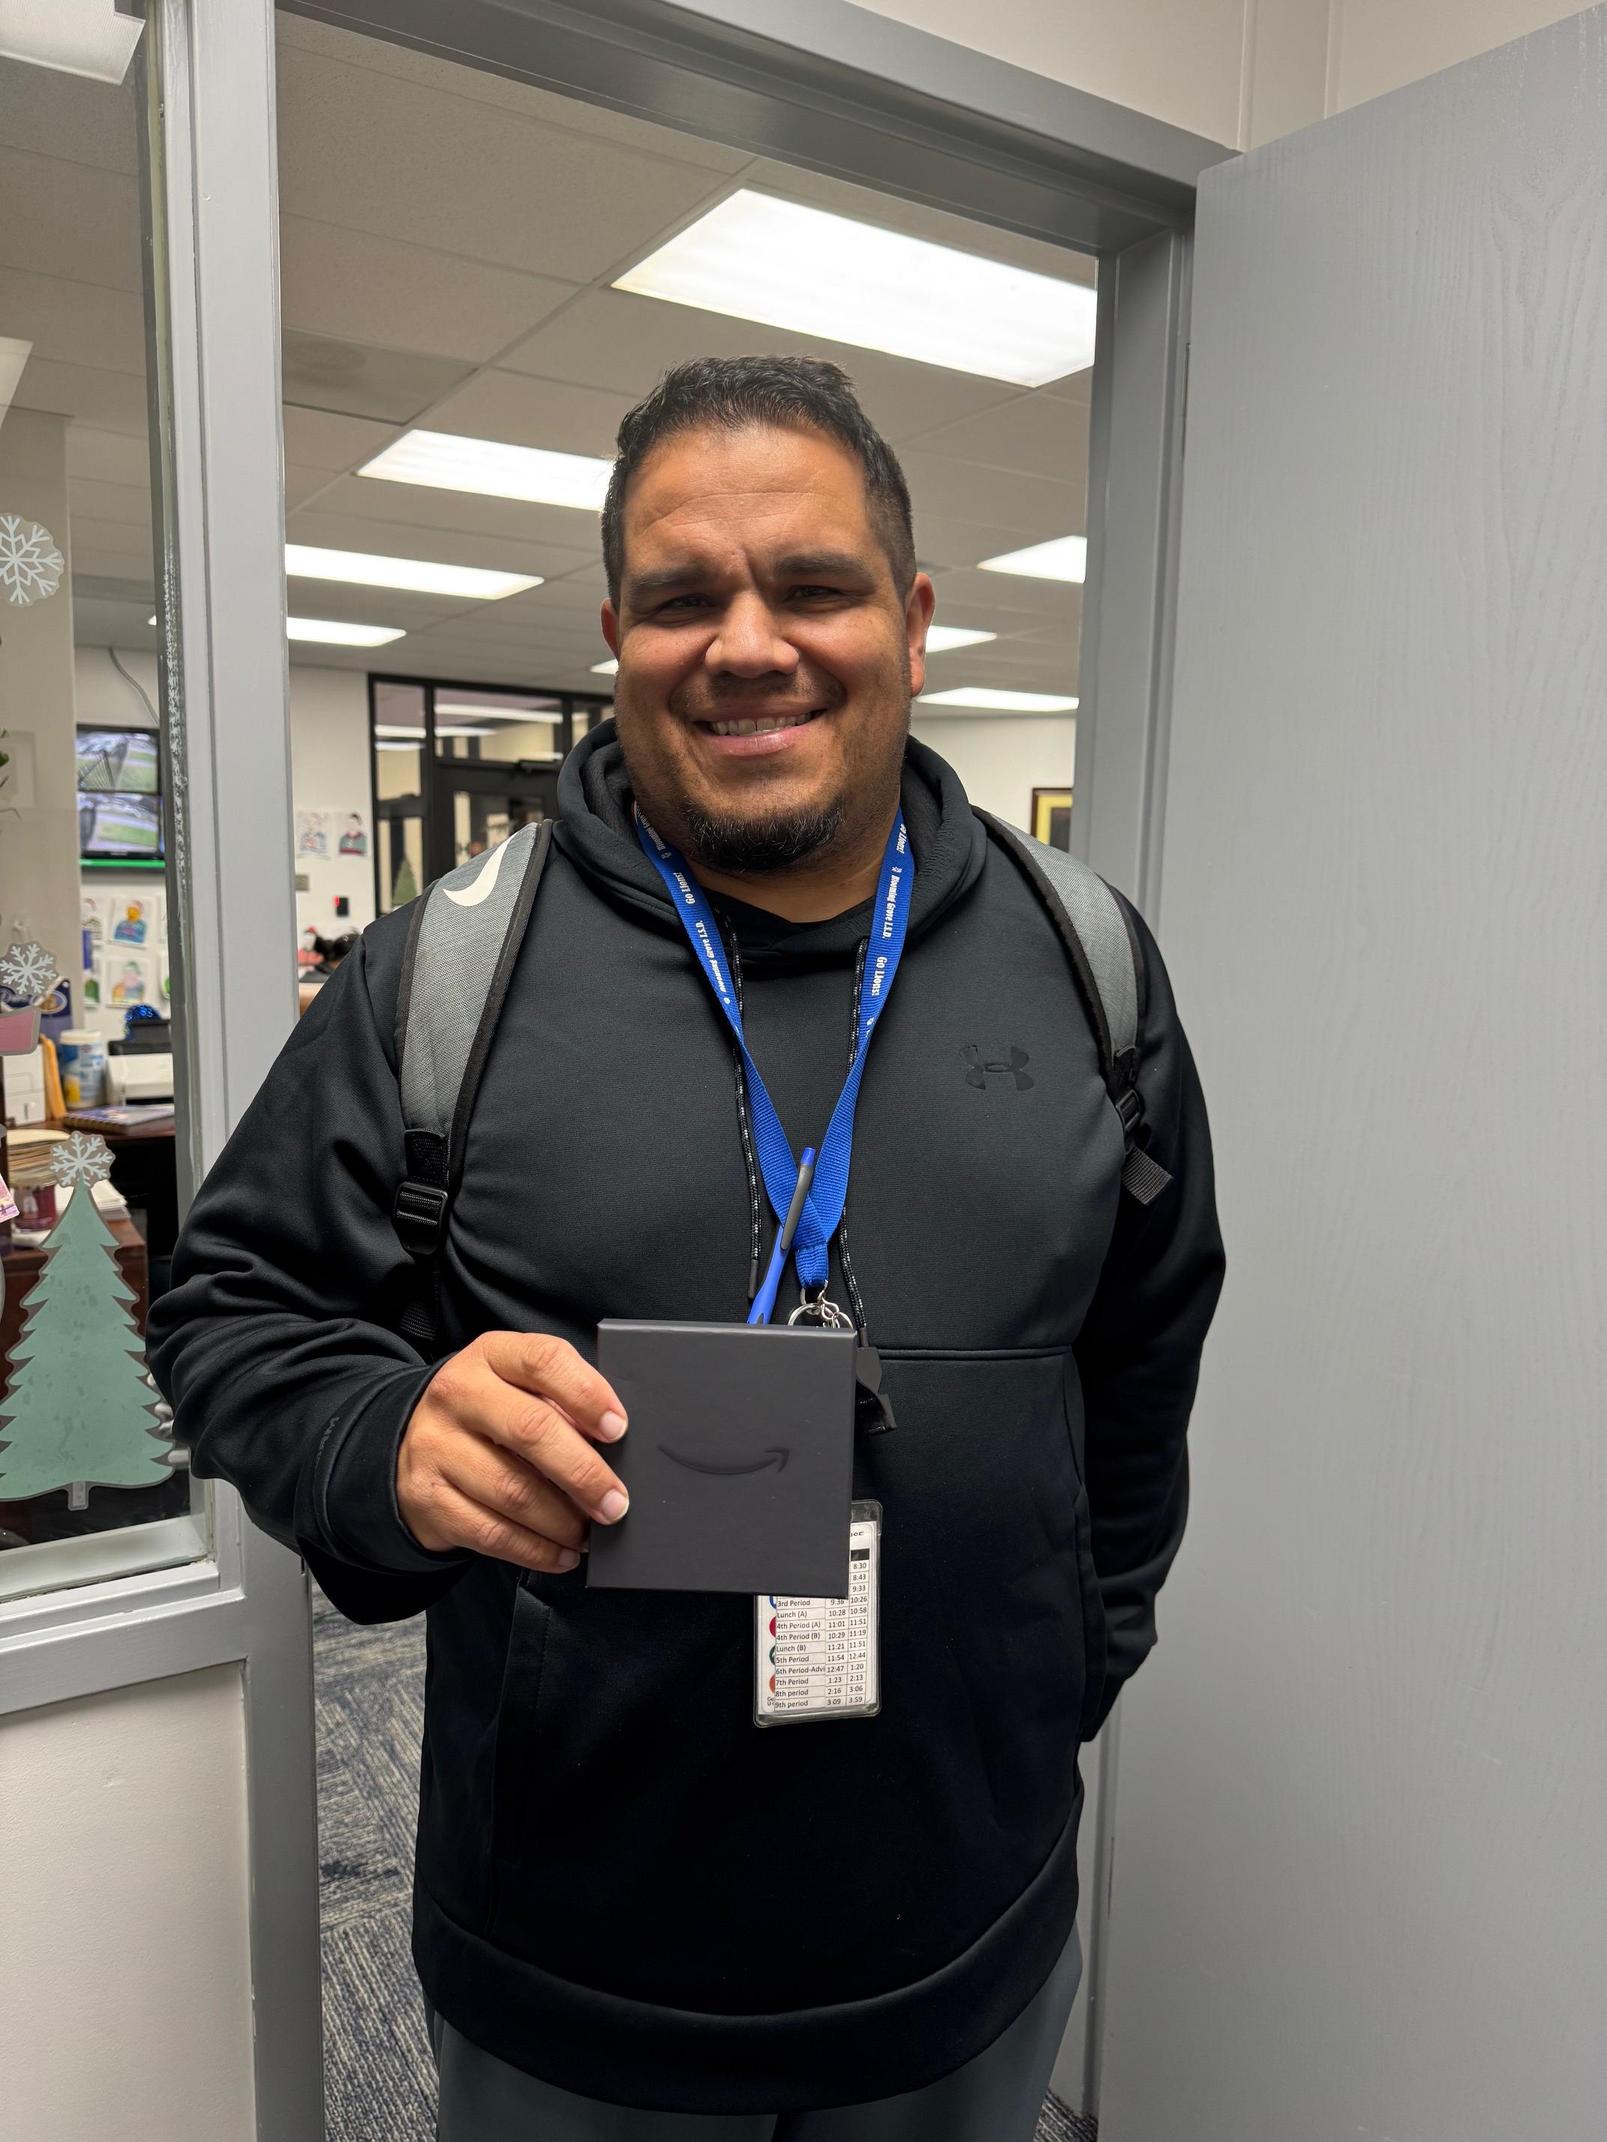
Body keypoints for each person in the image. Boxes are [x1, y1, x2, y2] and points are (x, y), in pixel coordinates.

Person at [147, 356, 1226, 2140]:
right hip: (577, 1992)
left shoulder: (1086, 965)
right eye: (681, 598)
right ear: (616, 635)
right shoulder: (449, 976)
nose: (746, 644)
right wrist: (384, 1435)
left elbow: (1145, 1356)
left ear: (912, 620)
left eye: (811, 584)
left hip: (969, 1948)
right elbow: (230, 1307)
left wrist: (1066, 1673)